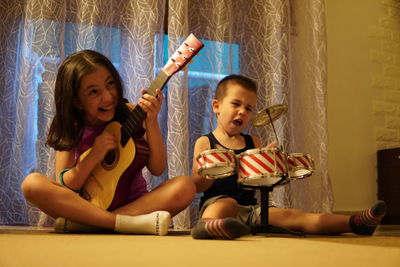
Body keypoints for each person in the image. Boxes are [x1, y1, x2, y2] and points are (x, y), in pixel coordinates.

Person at [21, 50, 196, 235]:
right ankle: (119, 224)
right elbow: (65, 186)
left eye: (110, 84)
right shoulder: (71, 126)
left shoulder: (129, 113)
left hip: (134, 205)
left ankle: (95, 224)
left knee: (185, 186)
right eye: (94, 91)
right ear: (77, 101)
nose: (108, 96)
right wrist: (94, 156)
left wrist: (151, 121)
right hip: (86, 206)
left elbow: (157, 168)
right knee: (32, 184)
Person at [190, 74, 386, 239]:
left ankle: (355, 223)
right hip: (217, 205)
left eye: (248, 108)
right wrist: (211, 171)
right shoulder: (205, 142)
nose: (242, 111)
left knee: (292, 215)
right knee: (227, 203)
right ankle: (207, 226)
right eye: (236, 104)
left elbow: (258, 184)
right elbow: (198, 186)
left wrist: (267, 162)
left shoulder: (254, 142)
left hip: (251, 209)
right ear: (216, 106)